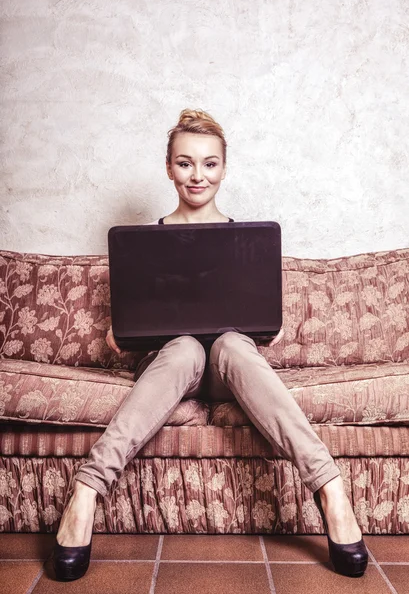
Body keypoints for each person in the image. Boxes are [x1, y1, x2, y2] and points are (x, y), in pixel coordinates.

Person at [53, 109, 368, 581]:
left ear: (224, 168)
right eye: (184, 163)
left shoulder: (246, 244)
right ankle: (87, 493)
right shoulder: (145, 245)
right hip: (173, 368)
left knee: (232, 346)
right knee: (184, 347)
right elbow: (129, 328)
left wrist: (267, 326)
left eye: (209, 163)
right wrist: (117, 334)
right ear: (168, 168)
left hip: (227, 368)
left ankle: (329, 488)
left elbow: (265, 326)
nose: (197, 175)